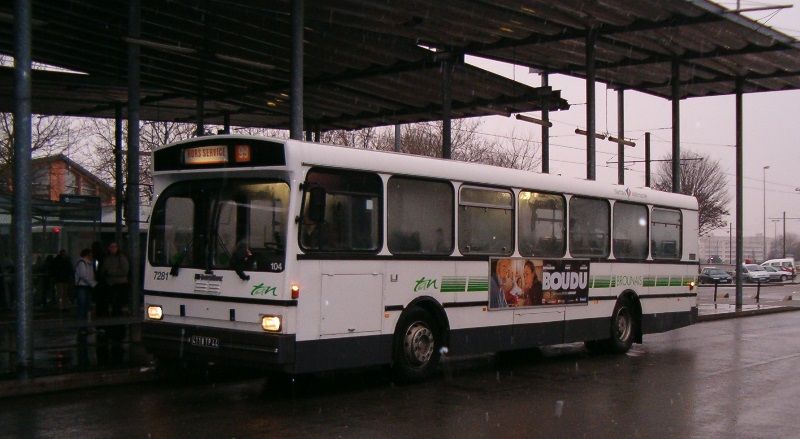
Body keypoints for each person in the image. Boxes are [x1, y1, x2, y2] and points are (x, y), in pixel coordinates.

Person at [73, 248, 96, 321]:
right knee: (82, 305)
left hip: (86, 285)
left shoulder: (89, 263)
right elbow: (83, 275)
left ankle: (84, 324)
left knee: (85, 305)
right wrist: (92, 283)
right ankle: (81, 324)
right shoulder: (82, 263)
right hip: (82, 286)